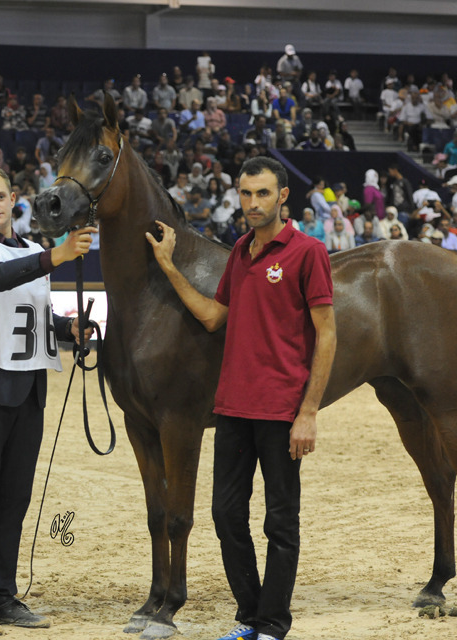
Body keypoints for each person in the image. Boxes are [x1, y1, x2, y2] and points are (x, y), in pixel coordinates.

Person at [145, 157, 336, 640]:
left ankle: (272, 625)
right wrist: (168, 265)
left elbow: (327, 335)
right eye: (246, 193)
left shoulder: (308, 252)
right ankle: (251, 616)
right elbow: (213, 315)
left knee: (280, 522)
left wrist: (309, 411)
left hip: (281, 410)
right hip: (231, 407)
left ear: (283, 196)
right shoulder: (239, 250)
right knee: (226, 516)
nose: (253, 203)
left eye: (263, 193)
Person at [0, 166, 93, 635]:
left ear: (13, 199)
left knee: (14, 501)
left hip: (29, 391)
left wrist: (67, 329)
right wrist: (57, 255)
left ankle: (3, 596)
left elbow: (31, 314)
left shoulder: (31, 249)